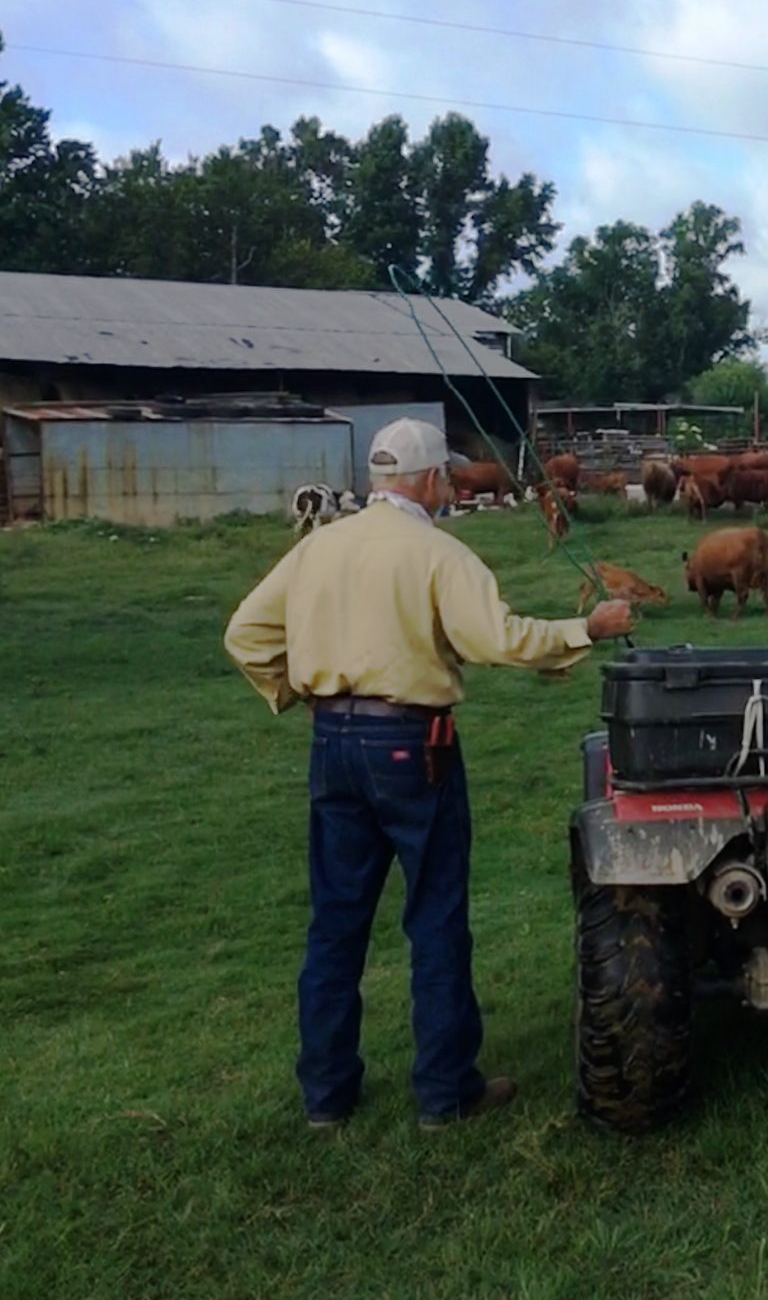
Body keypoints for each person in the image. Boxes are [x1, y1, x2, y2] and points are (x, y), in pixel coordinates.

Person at [224, 418, 634, 1131]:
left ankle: (326, 1095)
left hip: (332, 741)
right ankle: (444, 1092)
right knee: (436, 916)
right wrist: (585, 630)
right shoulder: (440, 553)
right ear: (430, 481)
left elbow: (245, 633)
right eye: (445, 475)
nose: (449, 484)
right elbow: (499, 639)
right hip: (414, 745)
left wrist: (297, 688)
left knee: (334, 923)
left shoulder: (318, 545)